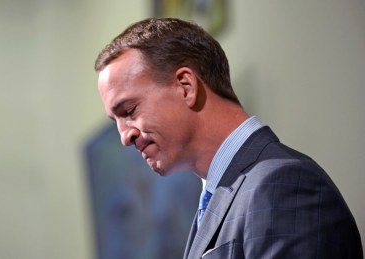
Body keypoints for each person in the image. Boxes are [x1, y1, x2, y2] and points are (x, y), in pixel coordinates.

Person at [94, 18, 363, 258]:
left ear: (186, 86)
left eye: (129, 111)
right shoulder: (220, 199)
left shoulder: (281, 184)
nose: (124, 137)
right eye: (115, 121)